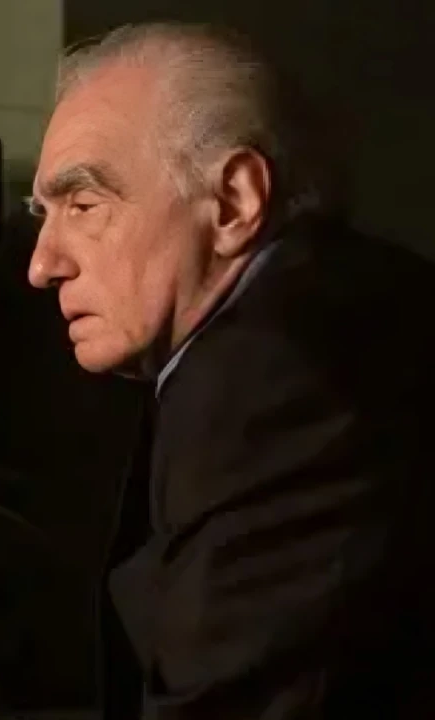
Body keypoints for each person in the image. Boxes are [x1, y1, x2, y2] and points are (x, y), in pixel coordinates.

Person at [26, 22, 434, 720]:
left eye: (84, 206)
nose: (42, 265)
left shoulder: (282, 382)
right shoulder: (316, 316)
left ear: (234, 202)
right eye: (42, 214)